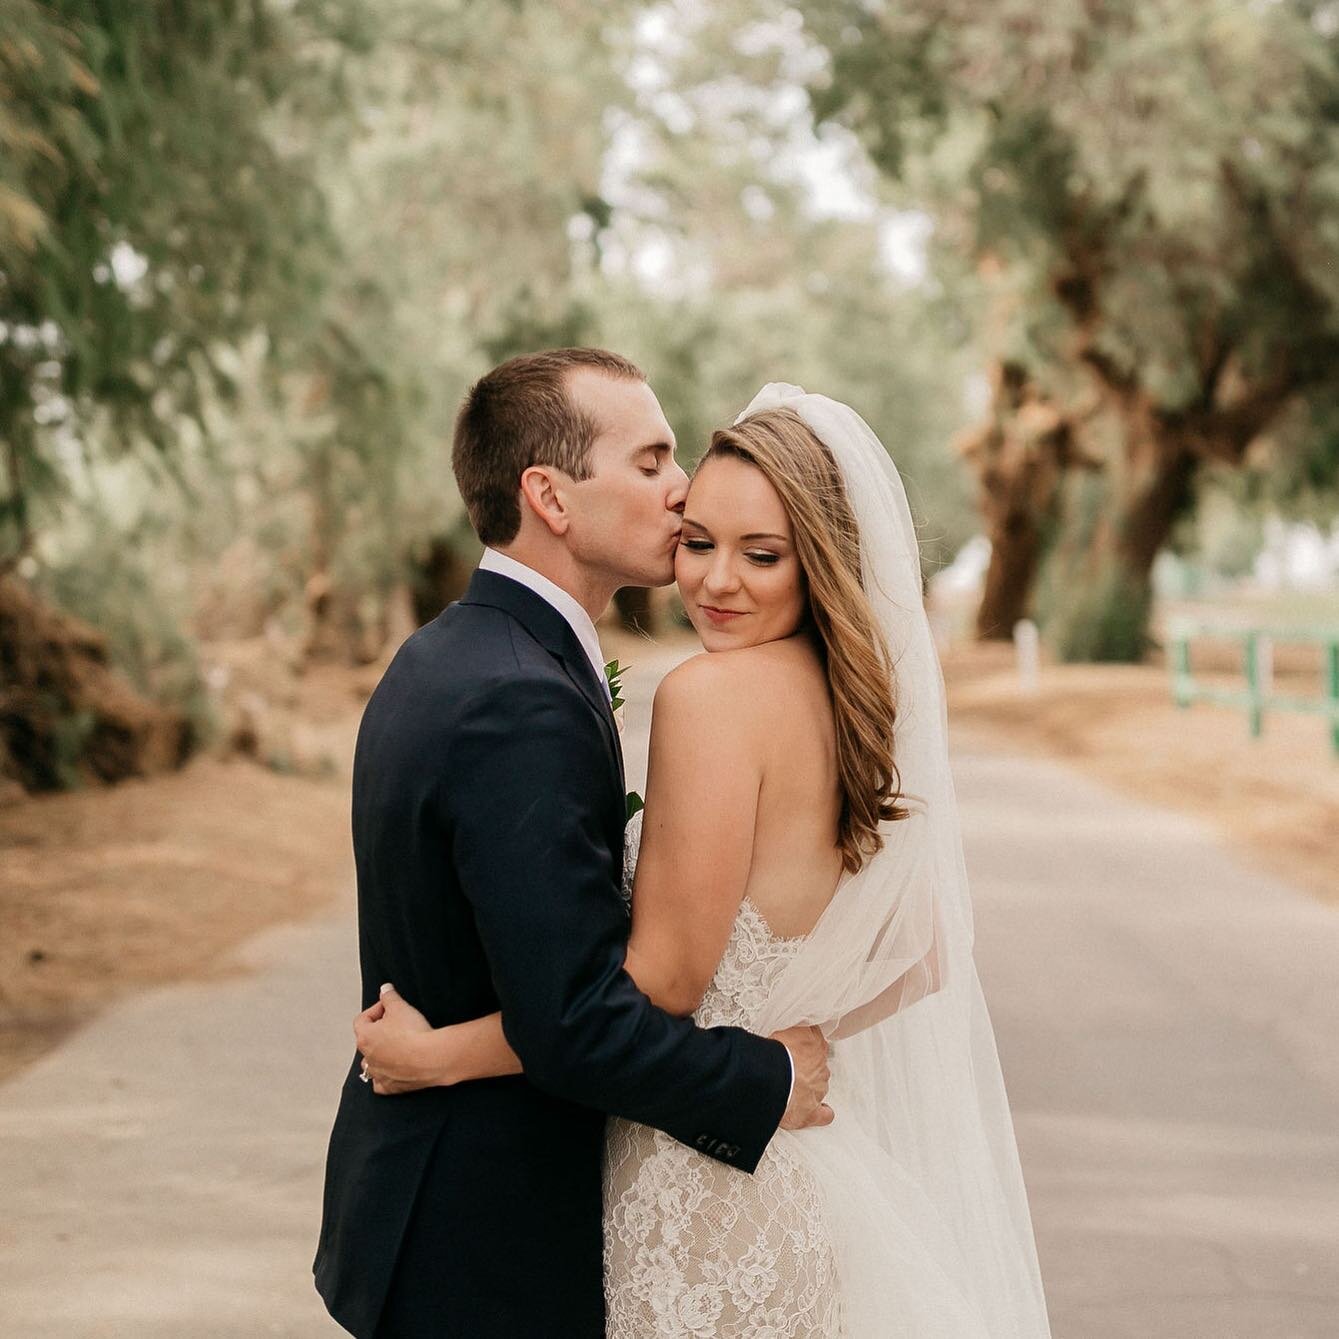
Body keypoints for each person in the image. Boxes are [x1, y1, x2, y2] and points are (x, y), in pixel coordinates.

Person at [358, 384, 1054, 1337]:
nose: (716, 581)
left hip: (700, 1189)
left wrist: (437, 1055)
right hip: (795, 1180)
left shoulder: (709, 698)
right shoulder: (851, 701)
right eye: (697, 542)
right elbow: (923, 946)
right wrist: (774, 1023)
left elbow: (663, 984)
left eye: (761, 555)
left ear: (819, 560)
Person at [312, 351, 833, 1339]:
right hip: (482, 1237)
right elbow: (574, 1018)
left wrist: (439, 1054)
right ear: (549, 496)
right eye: (649, 461)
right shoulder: (519, 696)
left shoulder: (456, 652)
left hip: (429, 1201)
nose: (680, 488)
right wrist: (762, 1079)